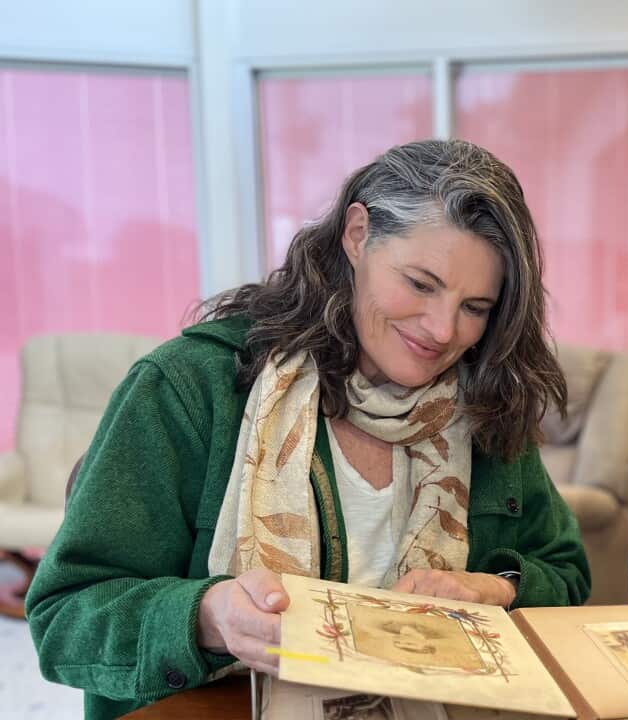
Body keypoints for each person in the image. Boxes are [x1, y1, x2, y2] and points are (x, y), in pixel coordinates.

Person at [26, 139, 590, 718]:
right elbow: (66, 617)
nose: (443, 331)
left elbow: (566, 574)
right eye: (421, 284)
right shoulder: (191, 388)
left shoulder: (483, 402)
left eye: (475, 307)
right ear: (356, 234)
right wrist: (207, 615)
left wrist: (494, 589)